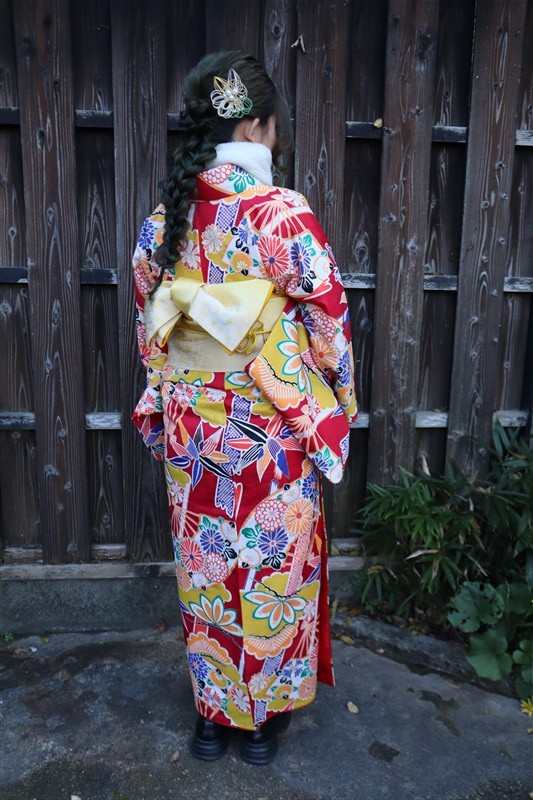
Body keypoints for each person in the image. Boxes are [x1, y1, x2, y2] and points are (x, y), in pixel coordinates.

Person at [131, 50, 357, 765]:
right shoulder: (280, 213)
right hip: (268, 425)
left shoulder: (167, 215)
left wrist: (174, 390)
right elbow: (328, 318)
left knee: (205, 564)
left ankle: (211, 718)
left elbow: (149, 316)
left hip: (193, 425)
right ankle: (258, 724)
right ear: (259, 125)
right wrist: (338, 398)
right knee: (269, 563)